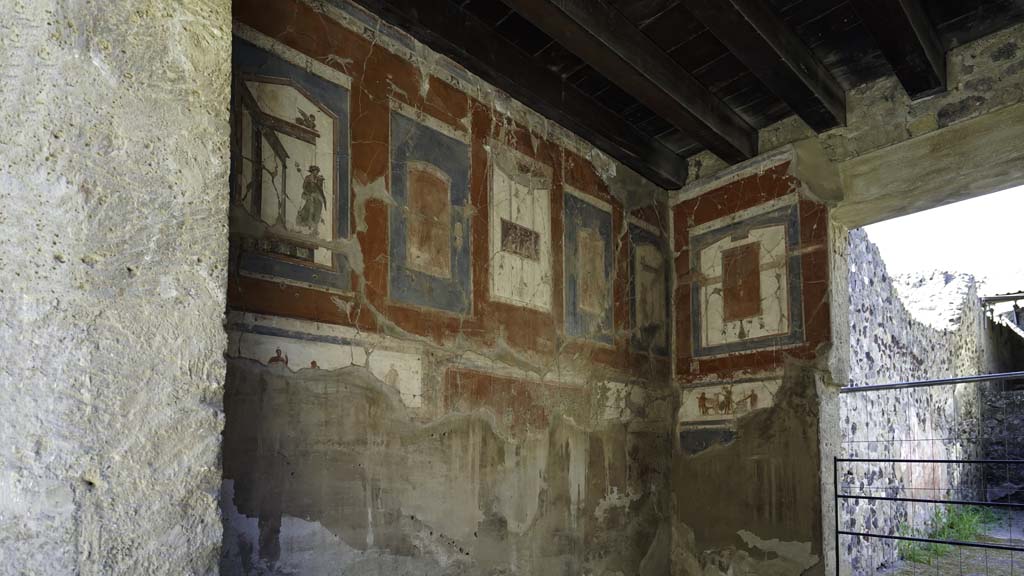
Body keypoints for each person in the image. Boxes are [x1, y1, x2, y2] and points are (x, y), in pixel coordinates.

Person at [296, 165, 327, 233]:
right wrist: (309, 193)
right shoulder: (308, 178)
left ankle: (315, 224)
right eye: (314, 171)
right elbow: (304, 187)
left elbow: (320, 189)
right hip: (308, 195)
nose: (316, 172)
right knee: (310, 206)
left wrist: (320, 181)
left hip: (316, 195)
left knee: (319, 206)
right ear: (312, 171)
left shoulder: (318, 179)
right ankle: (308, 222)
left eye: (317, 171)